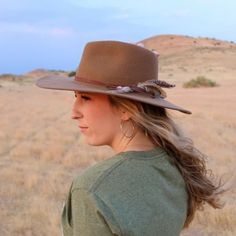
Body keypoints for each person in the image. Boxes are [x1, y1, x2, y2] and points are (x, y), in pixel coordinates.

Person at [36, 40, 222, 236]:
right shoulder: (175, 165)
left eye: (86, 97)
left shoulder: (92, 188)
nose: (74, 113)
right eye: (77, 97)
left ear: (126, 108)